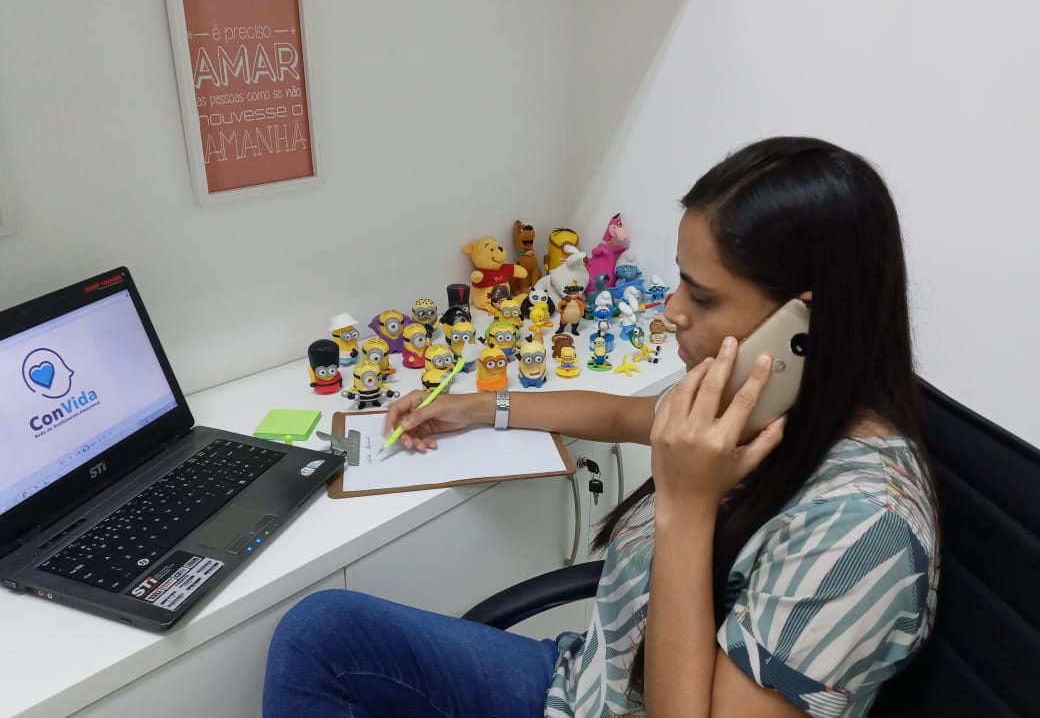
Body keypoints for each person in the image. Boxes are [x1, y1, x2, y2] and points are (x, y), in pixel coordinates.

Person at [263, 137, 940, 718]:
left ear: (803, 327)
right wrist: (477, 407)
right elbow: (621, 415)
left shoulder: (862, 528)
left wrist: (685, 504)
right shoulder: (765, 413)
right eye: (680, 282)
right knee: (321, 634)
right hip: (592, 684)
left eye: (701, 296)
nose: (671, 310)